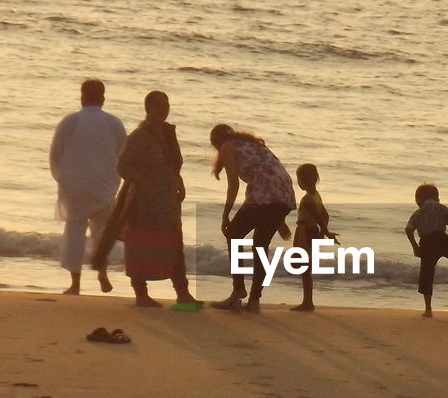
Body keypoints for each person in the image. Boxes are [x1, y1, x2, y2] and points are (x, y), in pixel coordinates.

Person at [113, 90, 200, 309]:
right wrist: (142, 182)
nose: (163, 108)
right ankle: (141, 294)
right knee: (141, 245)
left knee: (174, 244)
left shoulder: (169, 132)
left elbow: (172, 164)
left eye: (166, 103)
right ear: (148, 108)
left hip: (168, 202)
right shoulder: (139, 136)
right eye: (158, 104)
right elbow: (123, 165)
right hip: (144, 202)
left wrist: (179, 181)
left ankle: (183, 294)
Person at [48, 78, 127, 295]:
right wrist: (115, 182)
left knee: (74, 233)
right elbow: (123, 156)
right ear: (102, 98)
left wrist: (62, 179)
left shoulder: (69, 122)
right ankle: (102, 273)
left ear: (82, 97)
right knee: (102, 233)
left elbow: (55, 155)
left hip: (74, 188)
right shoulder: (114, 123)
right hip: (104, 187)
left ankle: (75, 284)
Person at [209, 124, 295, 313]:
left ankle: (238, 291)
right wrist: (280, 219)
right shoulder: (252, 145)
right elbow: (273, 172)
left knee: (233, 234)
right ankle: (254, 301)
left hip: (264, 196)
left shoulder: (227, 146)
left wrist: (226, 215)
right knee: (260, 246)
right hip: (285, 195)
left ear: (216, 142)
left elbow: (233, 184)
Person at [405, 183, 448, 318]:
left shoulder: (418, 212)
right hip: (441, 240)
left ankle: (428, 308)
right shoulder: (443, 209)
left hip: (426, 244)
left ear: (418, 199)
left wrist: (415, 246)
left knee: (427, 275)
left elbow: (408, 229)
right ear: (437, 197)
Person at [291, 163, 336, 312]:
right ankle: (307, 301)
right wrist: (322, 235)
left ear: (304, 181)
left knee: (302, 267)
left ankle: (307, 302)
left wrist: (326, 233)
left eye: (299, 179)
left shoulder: (307, 199)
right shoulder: (317, 196)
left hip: (305, 231)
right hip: (313, 232)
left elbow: (319, 217)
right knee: (304, 266)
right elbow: (325, 216)